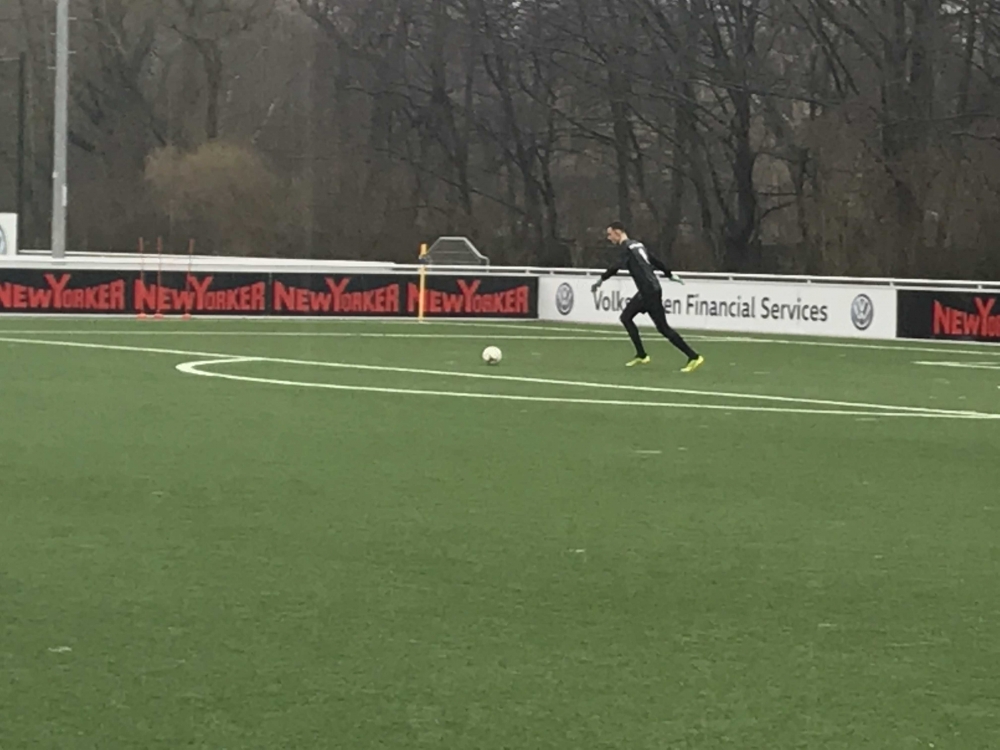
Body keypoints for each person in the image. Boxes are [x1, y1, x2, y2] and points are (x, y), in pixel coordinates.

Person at [592, 222, 705, 372]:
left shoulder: (626, 248)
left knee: (663, 328)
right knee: (626, 317)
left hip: (649, 292)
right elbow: (654, 260)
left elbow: (616, 267)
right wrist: (669, 274)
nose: (609, 237)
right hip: (648, 291)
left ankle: (694, 357)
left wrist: (601, 280)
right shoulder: (638, 245)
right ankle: (641, 355)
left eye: (610, 234)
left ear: (618, 232)